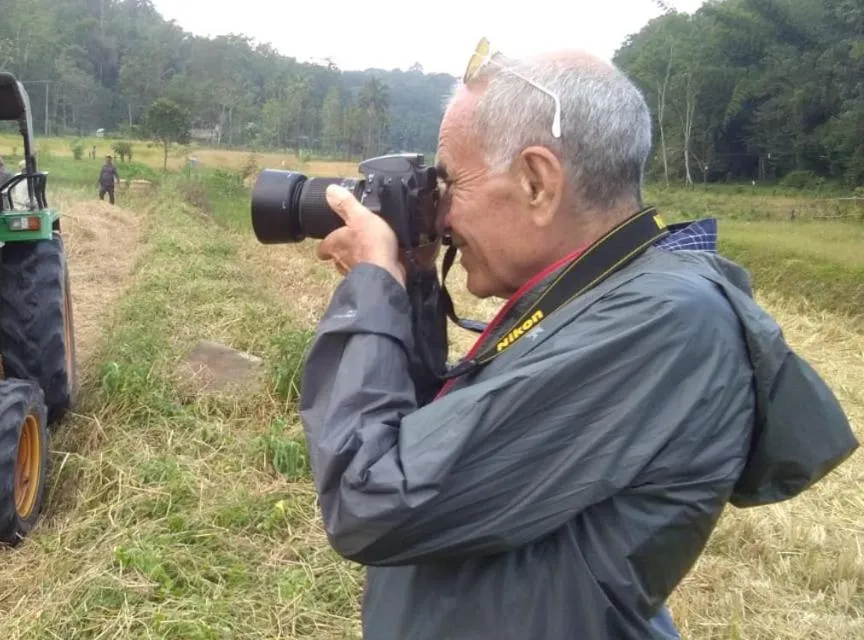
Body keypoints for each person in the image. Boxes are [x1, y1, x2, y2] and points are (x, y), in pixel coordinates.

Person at [300, 46, 857, 639]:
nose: (439, 218)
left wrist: (373, 287)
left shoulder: (659, 325)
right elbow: (425, 441)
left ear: (537, 183)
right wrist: (410, 283)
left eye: (451, 184)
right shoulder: (596, 301)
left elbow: (372, 498)